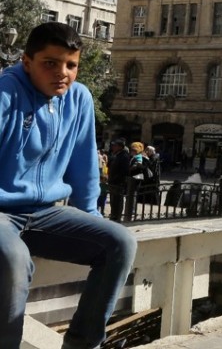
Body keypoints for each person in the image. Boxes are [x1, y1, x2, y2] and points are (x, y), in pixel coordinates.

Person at [0, 22, 137, 348]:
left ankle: (82, 344)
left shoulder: (79, 99)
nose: (62, 72)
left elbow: (83, 165)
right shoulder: (6, 93)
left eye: (71, 65)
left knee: (120, 242)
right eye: (50, 63)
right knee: (14, 260)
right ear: (26, 61)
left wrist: (89, 216)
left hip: (44, 213)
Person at [106, 138, 130, 222]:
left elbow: (124, 170)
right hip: (112, 181)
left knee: (118, 200)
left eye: (115, 145)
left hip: (118, 182)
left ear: (120, 147)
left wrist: (117, 178)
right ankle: (113, 215)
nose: (113, 147)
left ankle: (117, 216)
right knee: (113, 200)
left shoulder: (124, 155)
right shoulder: (115, 154)